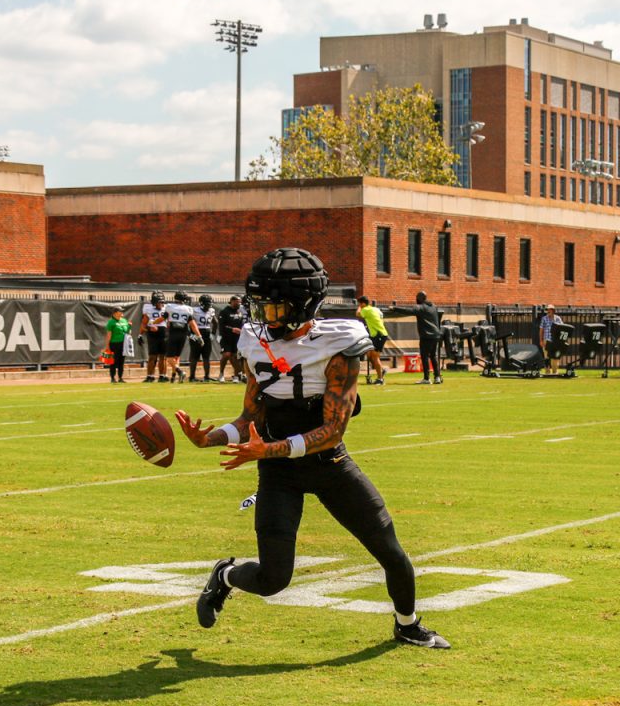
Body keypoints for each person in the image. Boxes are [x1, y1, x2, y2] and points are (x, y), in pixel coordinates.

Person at [174, 247, 450, 649]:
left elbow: (332, 431)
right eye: (260, 306)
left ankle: (407, 625)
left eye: (274, 307)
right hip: (279, 474)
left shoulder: (339, 343)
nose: (263, 317)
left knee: (390, 552)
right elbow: (249, 419)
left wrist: (265, 451)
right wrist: (209, 438)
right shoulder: (255, 340)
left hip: (328, 464)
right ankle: (225, 576)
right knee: (273, 580)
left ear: (302, 306)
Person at [405, 291, 443, 385]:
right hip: (436, 335)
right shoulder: (433, 306)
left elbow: (408, 311)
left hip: (426, 336)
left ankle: (426, 378)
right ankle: (437, 377)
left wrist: (394, 308)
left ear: (420, 299)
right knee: (433, 356)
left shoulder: (420, 307)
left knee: (425, 356)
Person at [164, 292, 202, 383]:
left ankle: (179, 371)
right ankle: (173, 377)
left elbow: (164, 318)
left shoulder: (170, 306)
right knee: (176, 357)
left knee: (169, 357)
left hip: (173, 333)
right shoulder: (188, 309)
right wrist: (199, 336)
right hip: (184, 334)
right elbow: (192, 324)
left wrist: (153, 322)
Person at [356, 295, 388, 385]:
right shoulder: (375, 309)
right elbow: (381, 317)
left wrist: (359, 307)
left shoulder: (365, 309)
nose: (359, 305)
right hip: (377, 334)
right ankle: (381, 371)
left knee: (375, 356)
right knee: (369, 354)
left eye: (359, 304)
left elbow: (357, 314)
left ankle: (380, 379)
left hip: (378, 334)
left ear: (362, 303)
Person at [216, 294, 246, 383]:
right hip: (225, 337)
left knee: (236, 357)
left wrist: (241, 330)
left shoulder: (239, 312)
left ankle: (236, 376)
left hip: (237, 338)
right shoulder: (224, 311)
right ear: (231, 302)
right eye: (236, 302)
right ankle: (221, 374)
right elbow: (221, 326)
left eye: (239, 302)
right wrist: (232, 329)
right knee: (226, 355)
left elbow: (241, 324)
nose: (238, 304)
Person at [141, 291, 168, 382]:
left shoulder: (166, 310)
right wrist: (149, 329)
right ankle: (150, 376)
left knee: (163, 357)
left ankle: (162, 376)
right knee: (152, 356)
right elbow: (143, 325)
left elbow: (170, 323)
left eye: (162, 302)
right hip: (153, 335)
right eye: (160, 302)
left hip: (164, 334)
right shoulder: (148, 310)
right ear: (154, 302)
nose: (162, 304)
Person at [189, 294, 217, 382]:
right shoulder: (194, 310)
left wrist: (213, 333)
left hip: (207, 333)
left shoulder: (211, 310)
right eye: (207, 304)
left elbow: (216, 322)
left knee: (206, 357)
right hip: (197, 333)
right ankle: (192, 377)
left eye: (209, 304)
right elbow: (188, 322)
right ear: (201, 303)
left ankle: (207, 376)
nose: (208, 306)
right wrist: (190, 334)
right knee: (194, 357)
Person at [102, 306, 131, 383]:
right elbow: (109, 335)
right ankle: (112, 378)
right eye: (120, 311)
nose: (122, 312)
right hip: (114, 344)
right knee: (113, 361)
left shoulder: (124, 320)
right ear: (115, 313)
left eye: (122, 311)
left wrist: (129, 326)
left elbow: (127, 331)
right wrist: (107, 346)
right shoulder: (111, 322)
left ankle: (120, 378)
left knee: (122, 361)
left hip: (123, 343)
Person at [539, 304, 563, 376]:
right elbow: (541, 330)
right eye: (547, 310)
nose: (548, 311)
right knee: (546, 356)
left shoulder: (558, 319)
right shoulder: (544, 318)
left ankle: (555, 372)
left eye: (549, 309)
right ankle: (547, 372)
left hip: (555, 341)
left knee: (555, 357)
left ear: (553, 310)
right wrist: (541, 340)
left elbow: (562, 328)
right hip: (546, 340)